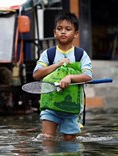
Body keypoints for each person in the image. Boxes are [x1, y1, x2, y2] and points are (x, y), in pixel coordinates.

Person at [33, 12, 92, 141]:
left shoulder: (80, 55)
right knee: (47, 139)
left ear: (76, 34)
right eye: (59, 29)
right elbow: (37, 74)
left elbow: (88, 76)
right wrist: (57, 64)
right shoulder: (48, 54)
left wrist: (70, 78)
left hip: (71, 108)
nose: (63, 32)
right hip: (50, 106)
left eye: (68, 29)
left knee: (70, 140)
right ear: (54, 33)